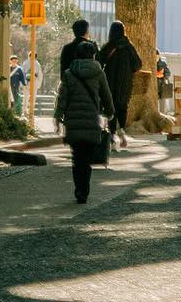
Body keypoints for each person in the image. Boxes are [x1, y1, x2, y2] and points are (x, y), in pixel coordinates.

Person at [54, 38, 116, 204]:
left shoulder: (69, 73)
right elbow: (107, 96)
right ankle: (84, 191)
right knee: (87, 159)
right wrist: (110, 113)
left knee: (77, 158)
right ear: (93, 56)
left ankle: (79, 190)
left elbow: (62, 98)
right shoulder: (99, 73)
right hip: (91, 121)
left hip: (73, 122)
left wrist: (58, 117)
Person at [99, 19, 142, 146]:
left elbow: (99, 62)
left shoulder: (108, 46)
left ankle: (112, 134)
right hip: (125, 83)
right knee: (122, 107)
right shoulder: (129, 47)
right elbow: (138, 65)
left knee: (111, 108)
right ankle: (122, 131)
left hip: (109, 83)